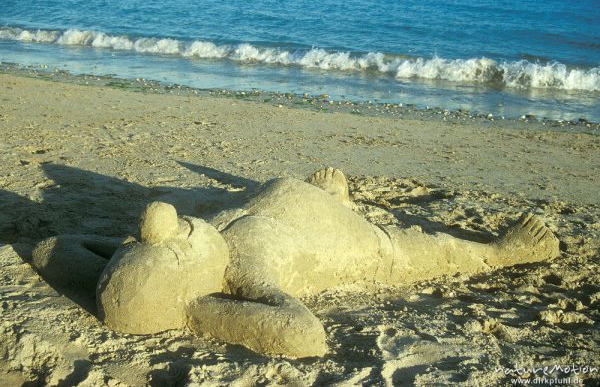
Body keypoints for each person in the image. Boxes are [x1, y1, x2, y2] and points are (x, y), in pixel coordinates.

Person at [32, 168, 560, 358]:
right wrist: (199, 313)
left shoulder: (196, 246)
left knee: (315, 191)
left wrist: (118, 262)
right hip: (364, 244)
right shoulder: (241, 277)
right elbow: (304, 335)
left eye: (141, 240)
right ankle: (501, 253)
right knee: (415, 252)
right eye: (171, 242)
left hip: (289, 201)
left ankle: (332, 196)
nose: (164, 221)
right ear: (190, 286)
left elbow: (53, 248)